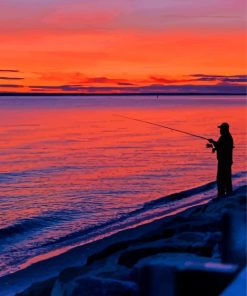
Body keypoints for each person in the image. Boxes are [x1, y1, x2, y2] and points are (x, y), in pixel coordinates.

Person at [208, 122, 234, 197]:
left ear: (225, 129)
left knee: (221, 179)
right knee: (226, 179)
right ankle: (227, 194)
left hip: (224, 161)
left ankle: (222, 195)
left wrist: (213, 142)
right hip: (226, 161)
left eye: (221, 129)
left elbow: (221, 147)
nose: (220, 130)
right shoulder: (226, 137)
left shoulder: (225, 137)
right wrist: (213, 146)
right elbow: (221, 146)